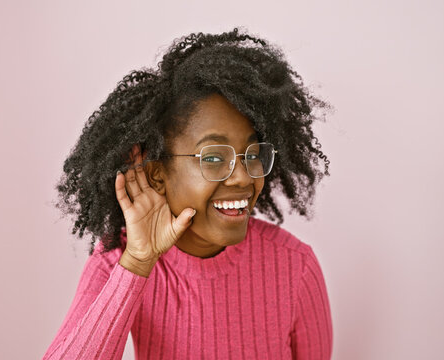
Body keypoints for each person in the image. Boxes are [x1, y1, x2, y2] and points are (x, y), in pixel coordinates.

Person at [43, 27, 333, 360]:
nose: (242, 176)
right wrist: (138, 263)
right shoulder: (119, 260)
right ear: (157, 174)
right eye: (212, 158)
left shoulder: (295, 265)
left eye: (252, 154)